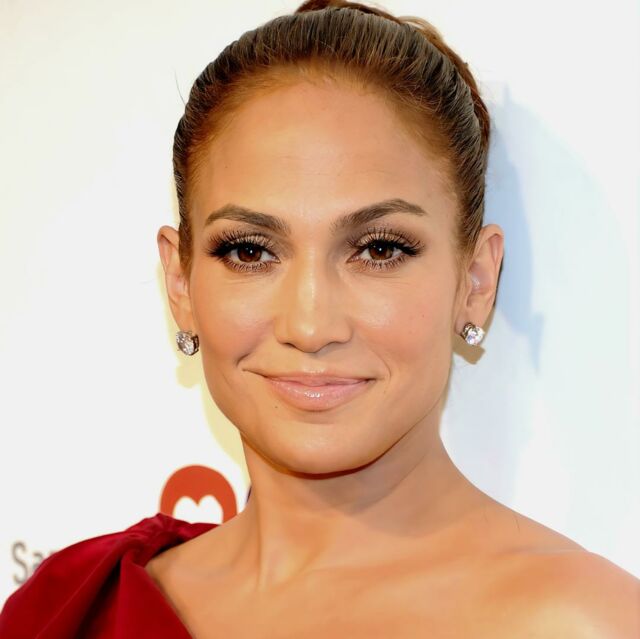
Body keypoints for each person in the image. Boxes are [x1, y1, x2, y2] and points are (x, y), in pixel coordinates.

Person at [1, 1, 638, 636]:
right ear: (180, 282)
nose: (309, 326)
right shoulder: (65, 608)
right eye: (250, 251)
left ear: (475, 282)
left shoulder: (582, 622)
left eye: (379, 250)